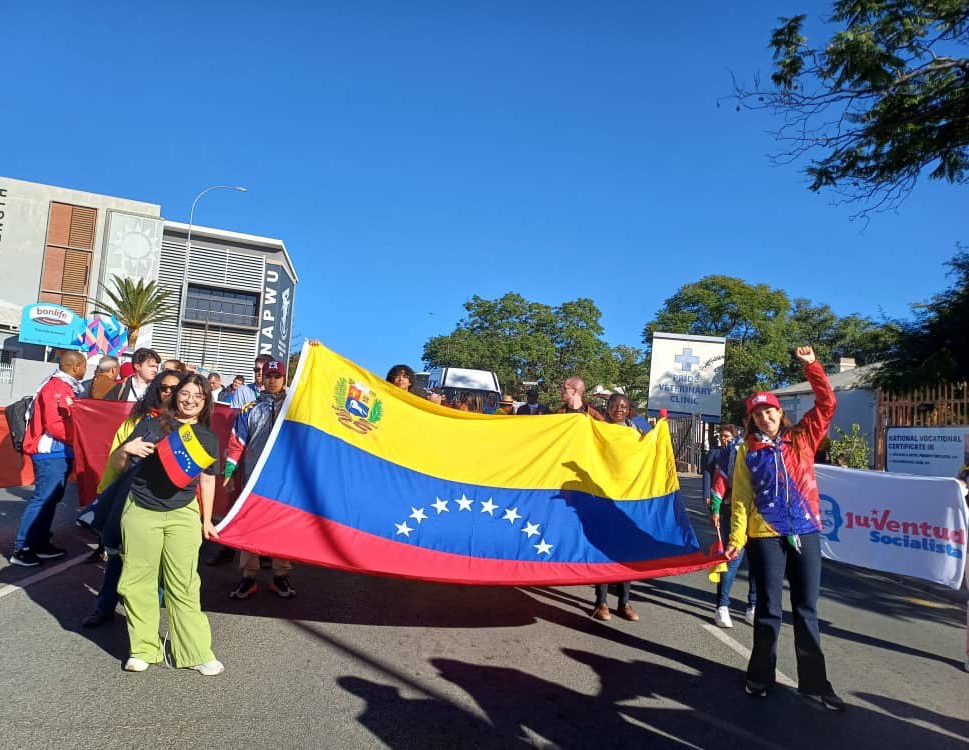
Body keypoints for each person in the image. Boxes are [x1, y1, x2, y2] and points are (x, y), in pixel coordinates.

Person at [725, 346, 844, 711]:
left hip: (806, 530)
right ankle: (760, 676)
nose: (764, 417)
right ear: (752, 419)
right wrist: (736, 539)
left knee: (806, 608)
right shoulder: (747, 451)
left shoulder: (804, 437)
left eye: (769, 410)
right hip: (765, 535)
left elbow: (826, 403)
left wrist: (812, 366)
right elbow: (742, 498)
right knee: (769, 610)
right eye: (757, 413)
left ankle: (814, 684)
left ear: (781, 412)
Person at [111, 372, 224, 675]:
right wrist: (126, 450)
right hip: (141, 510)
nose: (190, 400)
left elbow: (208, 479)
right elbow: (118, 466)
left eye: (198, 397)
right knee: (138, 583)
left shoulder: (207, 437)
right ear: (175, 396)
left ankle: (194, 651)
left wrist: (206, 519)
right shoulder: (151, 425)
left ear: (205, 402)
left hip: (183, 513)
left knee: (184, 584)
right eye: (185, 394)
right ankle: (143, 648)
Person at [82, 370, 183, 627]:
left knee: (160, 563)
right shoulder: (145, 423)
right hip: (134, 498)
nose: (169, 393)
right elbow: (117, 463)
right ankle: (104, 607)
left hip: (170, 505)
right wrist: (127, 449)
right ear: (156, 390)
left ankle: (148, 620)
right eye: (164, 388)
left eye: (175, 388)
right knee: (118, 554)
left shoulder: (193, 426)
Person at [224, 359, 296, 599]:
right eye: (268, 376)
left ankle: (280, 575)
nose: (273, 380)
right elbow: (236, 443)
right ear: (261, 379)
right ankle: (248, 576)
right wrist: (228, 473)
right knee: (249, 523)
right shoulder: (249, 409)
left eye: (277, 376)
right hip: (254, 477)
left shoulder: (296, 408)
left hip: (286, 480)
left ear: (285, 379)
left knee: (282, 527)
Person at [9, 351, 87, 566]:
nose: (85, 370)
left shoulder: (65, 386)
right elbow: (55, 424)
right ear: (75, 367)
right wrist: (80, 439)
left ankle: (40, 543)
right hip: (51, 452)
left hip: (61, 451)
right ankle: (22, 548)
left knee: (50, 500)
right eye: (84, 366)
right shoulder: (57, 387)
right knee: (42, 499)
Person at [591, 394, 642, 622]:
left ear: (628, 409)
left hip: (628, 499)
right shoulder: (600, 429)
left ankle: (624, 603)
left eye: (623, 406)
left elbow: (653, 442)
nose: (618, 409)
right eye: (614, 406)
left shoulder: (636, 432)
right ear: (608, 408)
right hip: (603, 497)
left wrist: (656, 425)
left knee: (626, 552)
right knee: (605, 550)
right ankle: (601, 602)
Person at [703, 423, 757, 628]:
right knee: (733, 557)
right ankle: (722, 606)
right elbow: (719, 481)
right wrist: (715, 509)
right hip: (732, 510)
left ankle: (753, 605)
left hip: (761, 515)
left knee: (758, 561)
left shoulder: (771, 449)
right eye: (754, 420)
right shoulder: (732, 451)